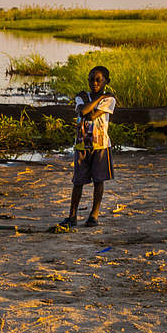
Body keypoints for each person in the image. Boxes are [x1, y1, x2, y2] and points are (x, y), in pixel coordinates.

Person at [54, 65, 116, 229]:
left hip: (100, 145)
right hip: (82, 145)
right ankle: (72, 216)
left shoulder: (110, 100)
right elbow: (84, 113)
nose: (94, 83)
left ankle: (94, 215)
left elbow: (92, 114)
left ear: (106, 81)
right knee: (78, 182)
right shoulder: (86, 96)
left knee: (99, 181)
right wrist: (98, 99)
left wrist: (91, 103)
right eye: (91, 80)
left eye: (98, 80)